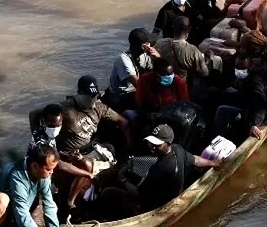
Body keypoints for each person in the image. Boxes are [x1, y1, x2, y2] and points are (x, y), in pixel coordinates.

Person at [56, 75, 130, 210]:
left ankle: (74, 201)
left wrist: (128, 145)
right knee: (66, 180)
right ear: (79, 94)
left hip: (88, 149)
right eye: (87, 97)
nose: (91, 100)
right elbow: (36, 114)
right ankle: (67, 204)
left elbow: (123, 122)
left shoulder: (98, 107)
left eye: (93, 96)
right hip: (66, 153)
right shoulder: (66, 109)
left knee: (91, 163)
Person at [138, 124, 222, 212]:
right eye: (151, 143)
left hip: (161, 205)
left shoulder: (161, 168)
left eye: (157, 144)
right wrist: (213, 163)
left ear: (168, 143)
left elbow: (141, 192)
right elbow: (195, 160)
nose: (152, 147)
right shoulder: (177, 149)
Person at [28, 103, 95, 179]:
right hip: (40, 174)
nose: (54, 129)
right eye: (51, 126)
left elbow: (33, 114)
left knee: (82, 163)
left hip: (49, 167)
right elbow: (60, 165)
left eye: (58, 126)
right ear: (44, 121)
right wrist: (88, 174)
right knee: (85, 168)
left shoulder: (45, 132)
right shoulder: (41, 142)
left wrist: (69, 156)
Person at [213, 54, 267, 142]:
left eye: (242, 68)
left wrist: (254, 124)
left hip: (250, 113)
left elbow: (260, 105)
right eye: (237, 67)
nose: (239, 70)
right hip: (244, 102)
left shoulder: (256, 82)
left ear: (250, 66)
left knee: (222, 110)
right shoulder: (244, 77)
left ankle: (219, 139)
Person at [126, 58, 190, 126]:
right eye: (165, 74)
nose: (168, 77)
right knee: (129, 115)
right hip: (150, 113)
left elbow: (185, 105)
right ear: (156, 74)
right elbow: (140, 102)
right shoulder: (145, 79)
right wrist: (148, 114)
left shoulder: (179, 83)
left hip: (173, 116)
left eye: (170, 74)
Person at [108, 28, 160, 111]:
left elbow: (159, 74)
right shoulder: (124, 59)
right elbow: (138, 84)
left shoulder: (145, 55)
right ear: (135, 46)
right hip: (121, 95)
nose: (148, 47)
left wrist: (158, 59)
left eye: (148, 44)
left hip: (135, 91)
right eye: (145, 46)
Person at [155, 16, 215, 84]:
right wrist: (210, 59)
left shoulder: (159, 43)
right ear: (189, 29)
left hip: (162, 82)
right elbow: (205, 73)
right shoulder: (192, 50)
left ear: (172, 27)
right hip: (182, 85)